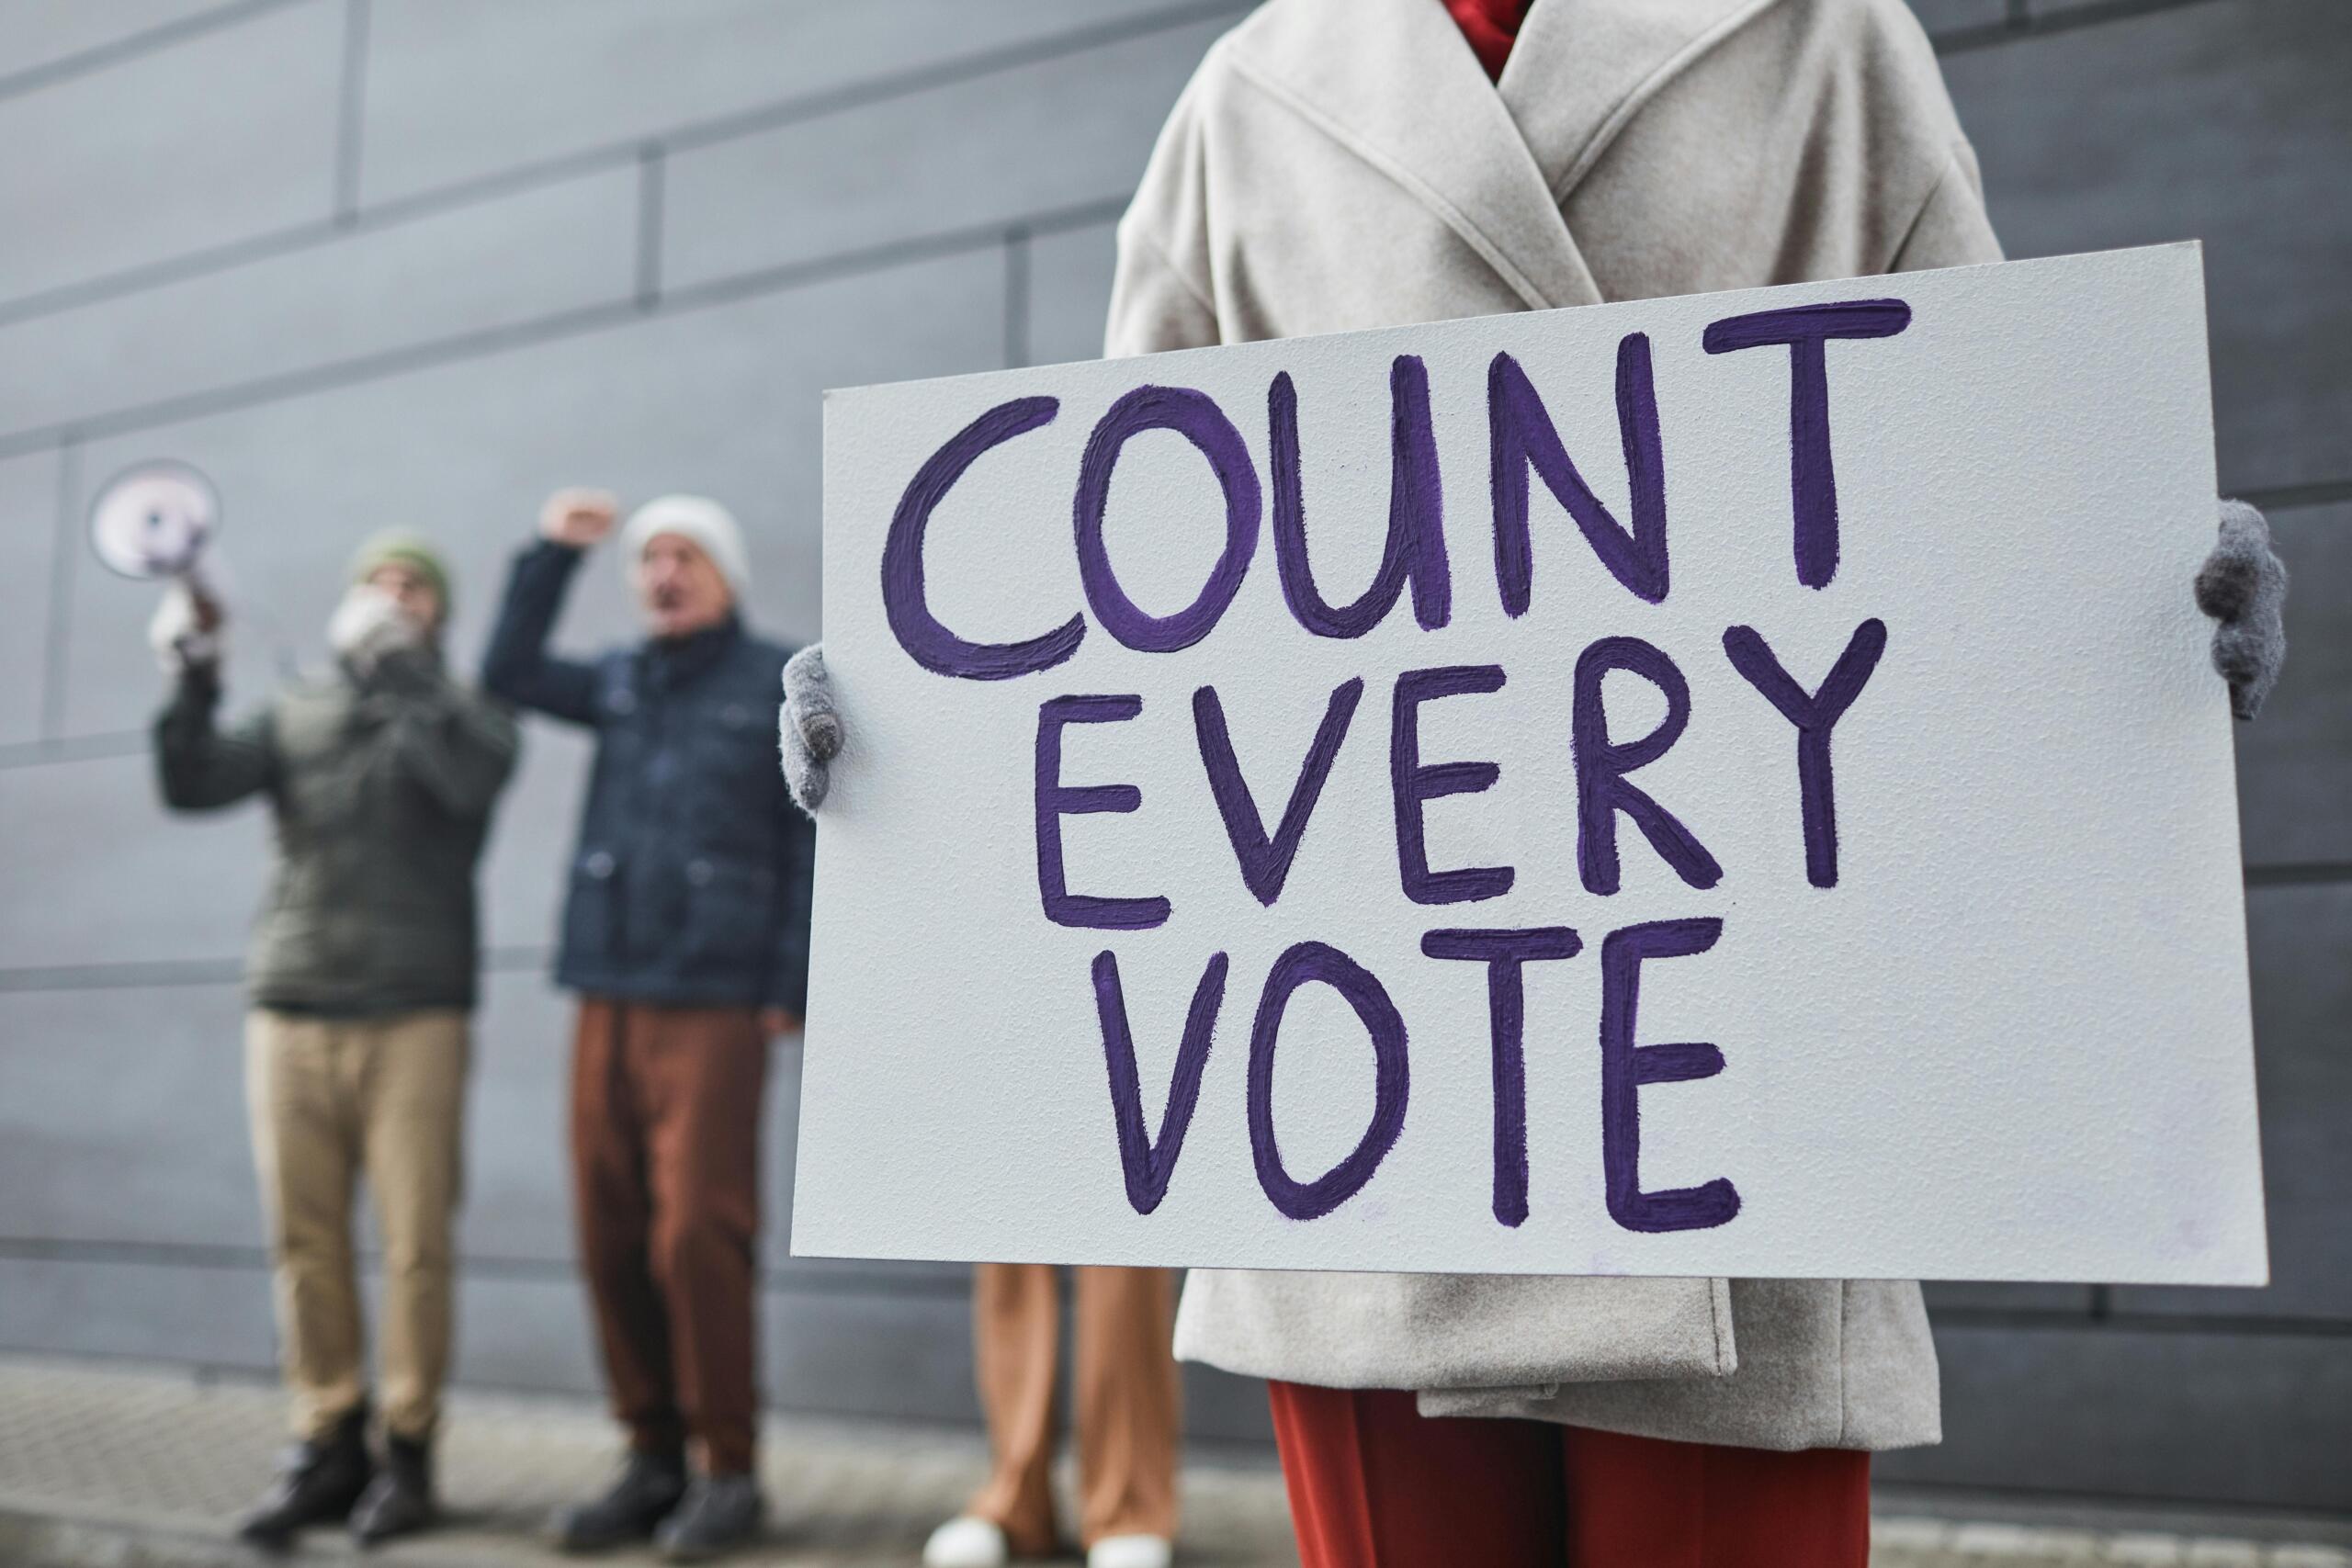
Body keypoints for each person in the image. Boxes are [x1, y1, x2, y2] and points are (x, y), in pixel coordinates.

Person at [780, 0, 2291, 1563]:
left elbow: (1982, 444)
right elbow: (1135, 602)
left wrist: (2129, 609)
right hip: (1362, 1130)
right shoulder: (1248, 96)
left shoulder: (1823, 37)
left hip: (1736, 1100)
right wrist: (932, 743)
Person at [151, 532, 518, 1550]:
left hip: (415, 1011)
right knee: (302, 1242)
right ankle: (326, 1441)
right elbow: (192, 783)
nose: (391, 597)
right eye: (376, 583)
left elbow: (468, 783)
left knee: (414, 1247)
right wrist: (194, 677)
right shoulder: (297, 707)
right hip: (292, 1003)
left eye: (412, 588)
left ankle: (408, 1453)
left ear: (438, 613)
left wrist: (402, 672)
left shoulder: (470, 714)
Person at [481, 490, 814, 1562]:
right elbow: (510, 672)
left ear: (724, 576)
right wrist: (547, 557)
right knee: (609, 1226)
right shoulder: (621, 681)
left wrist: (792, 977)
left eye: (686, 557)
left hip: (716, 997)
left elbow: (812, 843)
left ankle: (728, 1465)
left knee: (697, 1233)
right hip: (607, 985)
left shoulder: (774, 680)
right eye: (649, 559)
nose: (664, 573)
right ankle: (650, 1455)